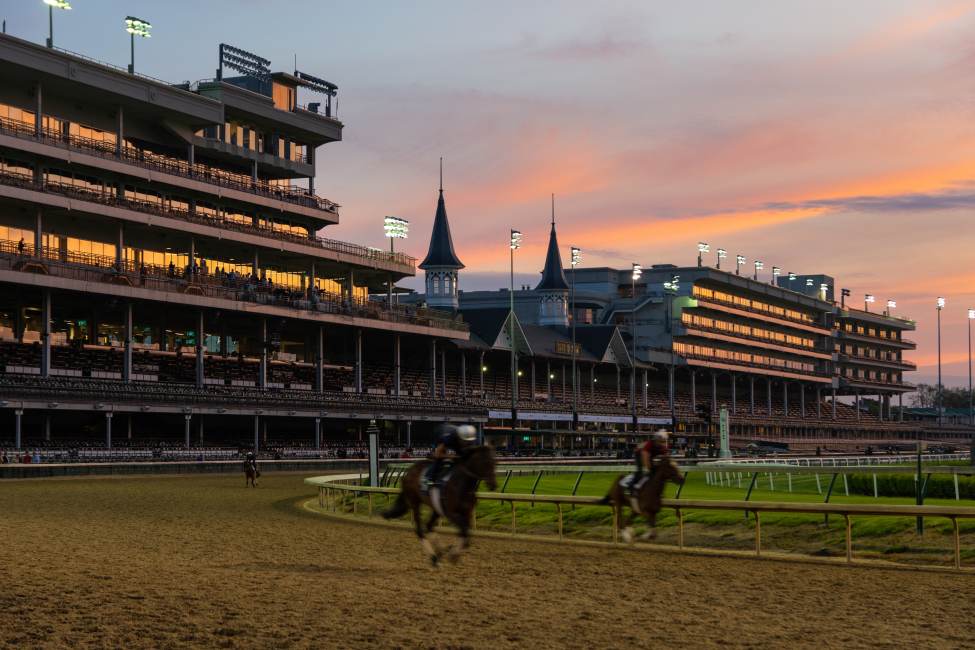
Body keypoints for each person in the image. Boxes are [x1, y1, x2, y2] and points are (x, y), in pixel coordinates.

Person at [631, 429, 670, 495]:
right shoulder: (649, 444)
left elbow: (666, 459)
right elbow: (645, 457)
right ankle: (633, 488)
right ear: (657, 440)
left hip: (650, 455)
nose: (662, 443)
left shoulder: (663, 447)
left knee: (655, 471)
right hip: (640, 453)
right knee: (641, 471)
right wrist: (648, 468)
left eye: (664, 441)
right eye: (661, 441)